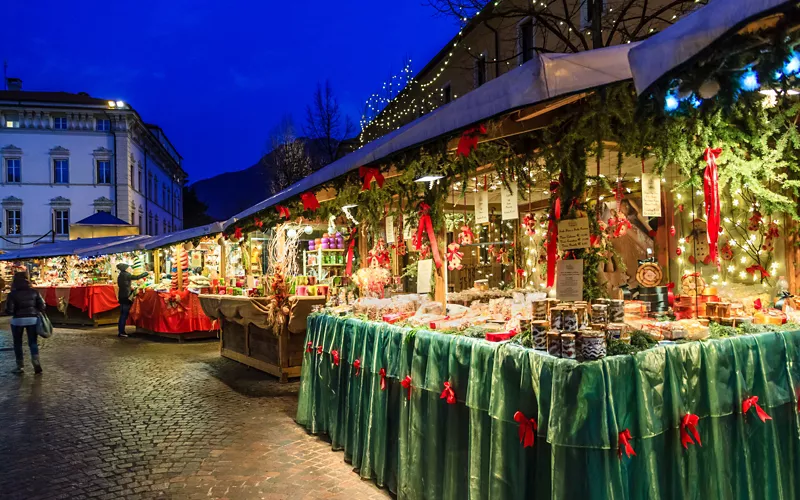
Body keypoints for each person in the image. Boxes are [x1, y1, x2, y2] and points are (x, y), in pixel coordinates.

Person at [5, 271, 46, 374]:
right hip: (32, 319)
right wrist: (35, 311)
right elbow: (42, 306)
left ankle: (20, 366)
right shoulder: (34, 292)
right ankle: (36, 362)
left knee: (17, 343)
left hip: (17, 320)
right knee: (33, 342)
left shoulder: (12, 294)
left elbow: (9, 310)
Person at [116, 263, 148, 338]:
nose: (130, 269)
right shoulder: (126, 274)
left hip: (122, 296)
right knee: (124, 315)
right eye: (129, 267)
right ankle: (121, 332)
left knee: (122, 315)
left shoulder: (121, 275)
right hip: (126, 297)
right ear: (125, 269)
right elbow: (137, 277)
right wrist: (146, 273)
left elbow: (124, 285)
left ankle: (121, 331)